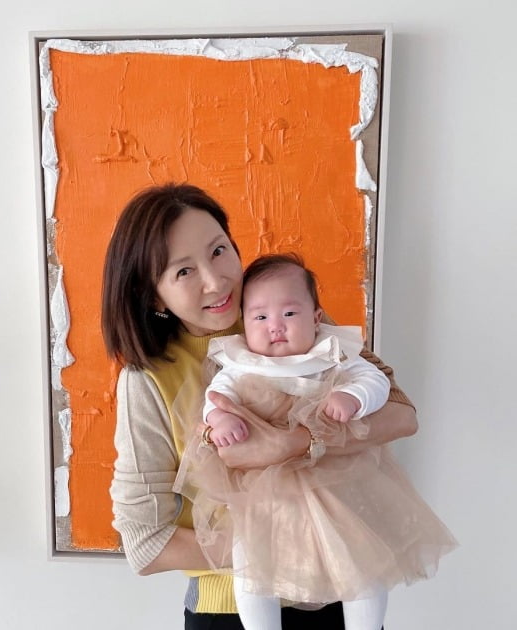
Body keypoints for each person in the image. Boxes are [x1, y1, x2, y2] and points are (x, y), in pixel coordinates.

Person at [102, 183, 419, 630]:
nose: (216, 281)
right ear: (154, 295)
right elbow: (145, 543)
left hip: (340, 593)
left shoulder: (283, 313)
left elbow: (401, 414)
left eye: (218, 251)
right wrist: (283, 545)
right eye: (184, 271)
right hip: (231, 609)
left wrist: (294, 444)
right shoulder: (148, 379)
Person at [174, 253, 457, 630]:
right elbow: (216, 395)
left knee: (361, 559)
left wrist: (352, 397)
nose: (275, 326)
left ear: (316, 318)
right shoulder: (240, 361)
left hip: (335, 480)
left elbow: (375, 381)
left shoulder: (331, 352)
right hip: (265, 491)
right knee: (250, 562)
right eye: (260, 317)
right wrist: (220, 418)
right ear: (244, 322)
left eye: (289, 313)